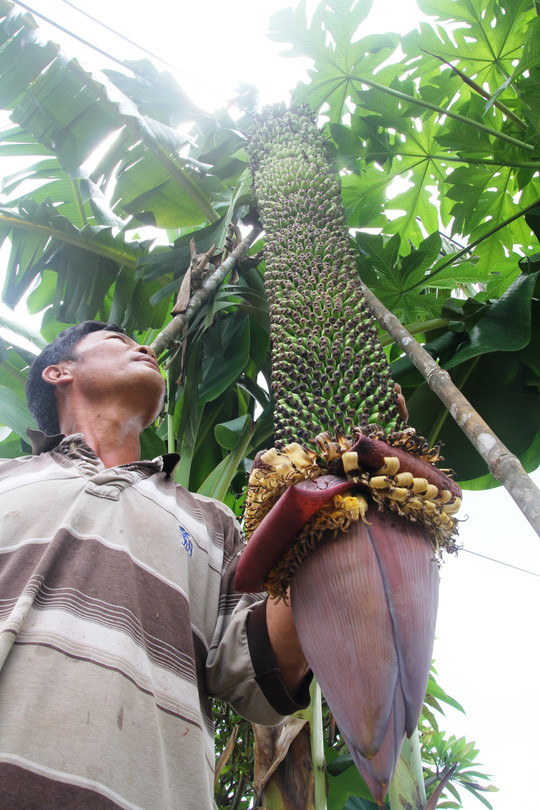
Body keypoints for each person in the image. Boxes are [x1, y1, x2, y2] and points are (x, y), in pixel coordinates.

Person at [0, 321, 310, 809]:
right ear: (59, 372)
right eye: (119, 342)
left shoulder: (212, 523)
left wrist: (335, 504)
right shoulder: (6, 481)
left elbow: (264, 675)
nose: (143, 346)